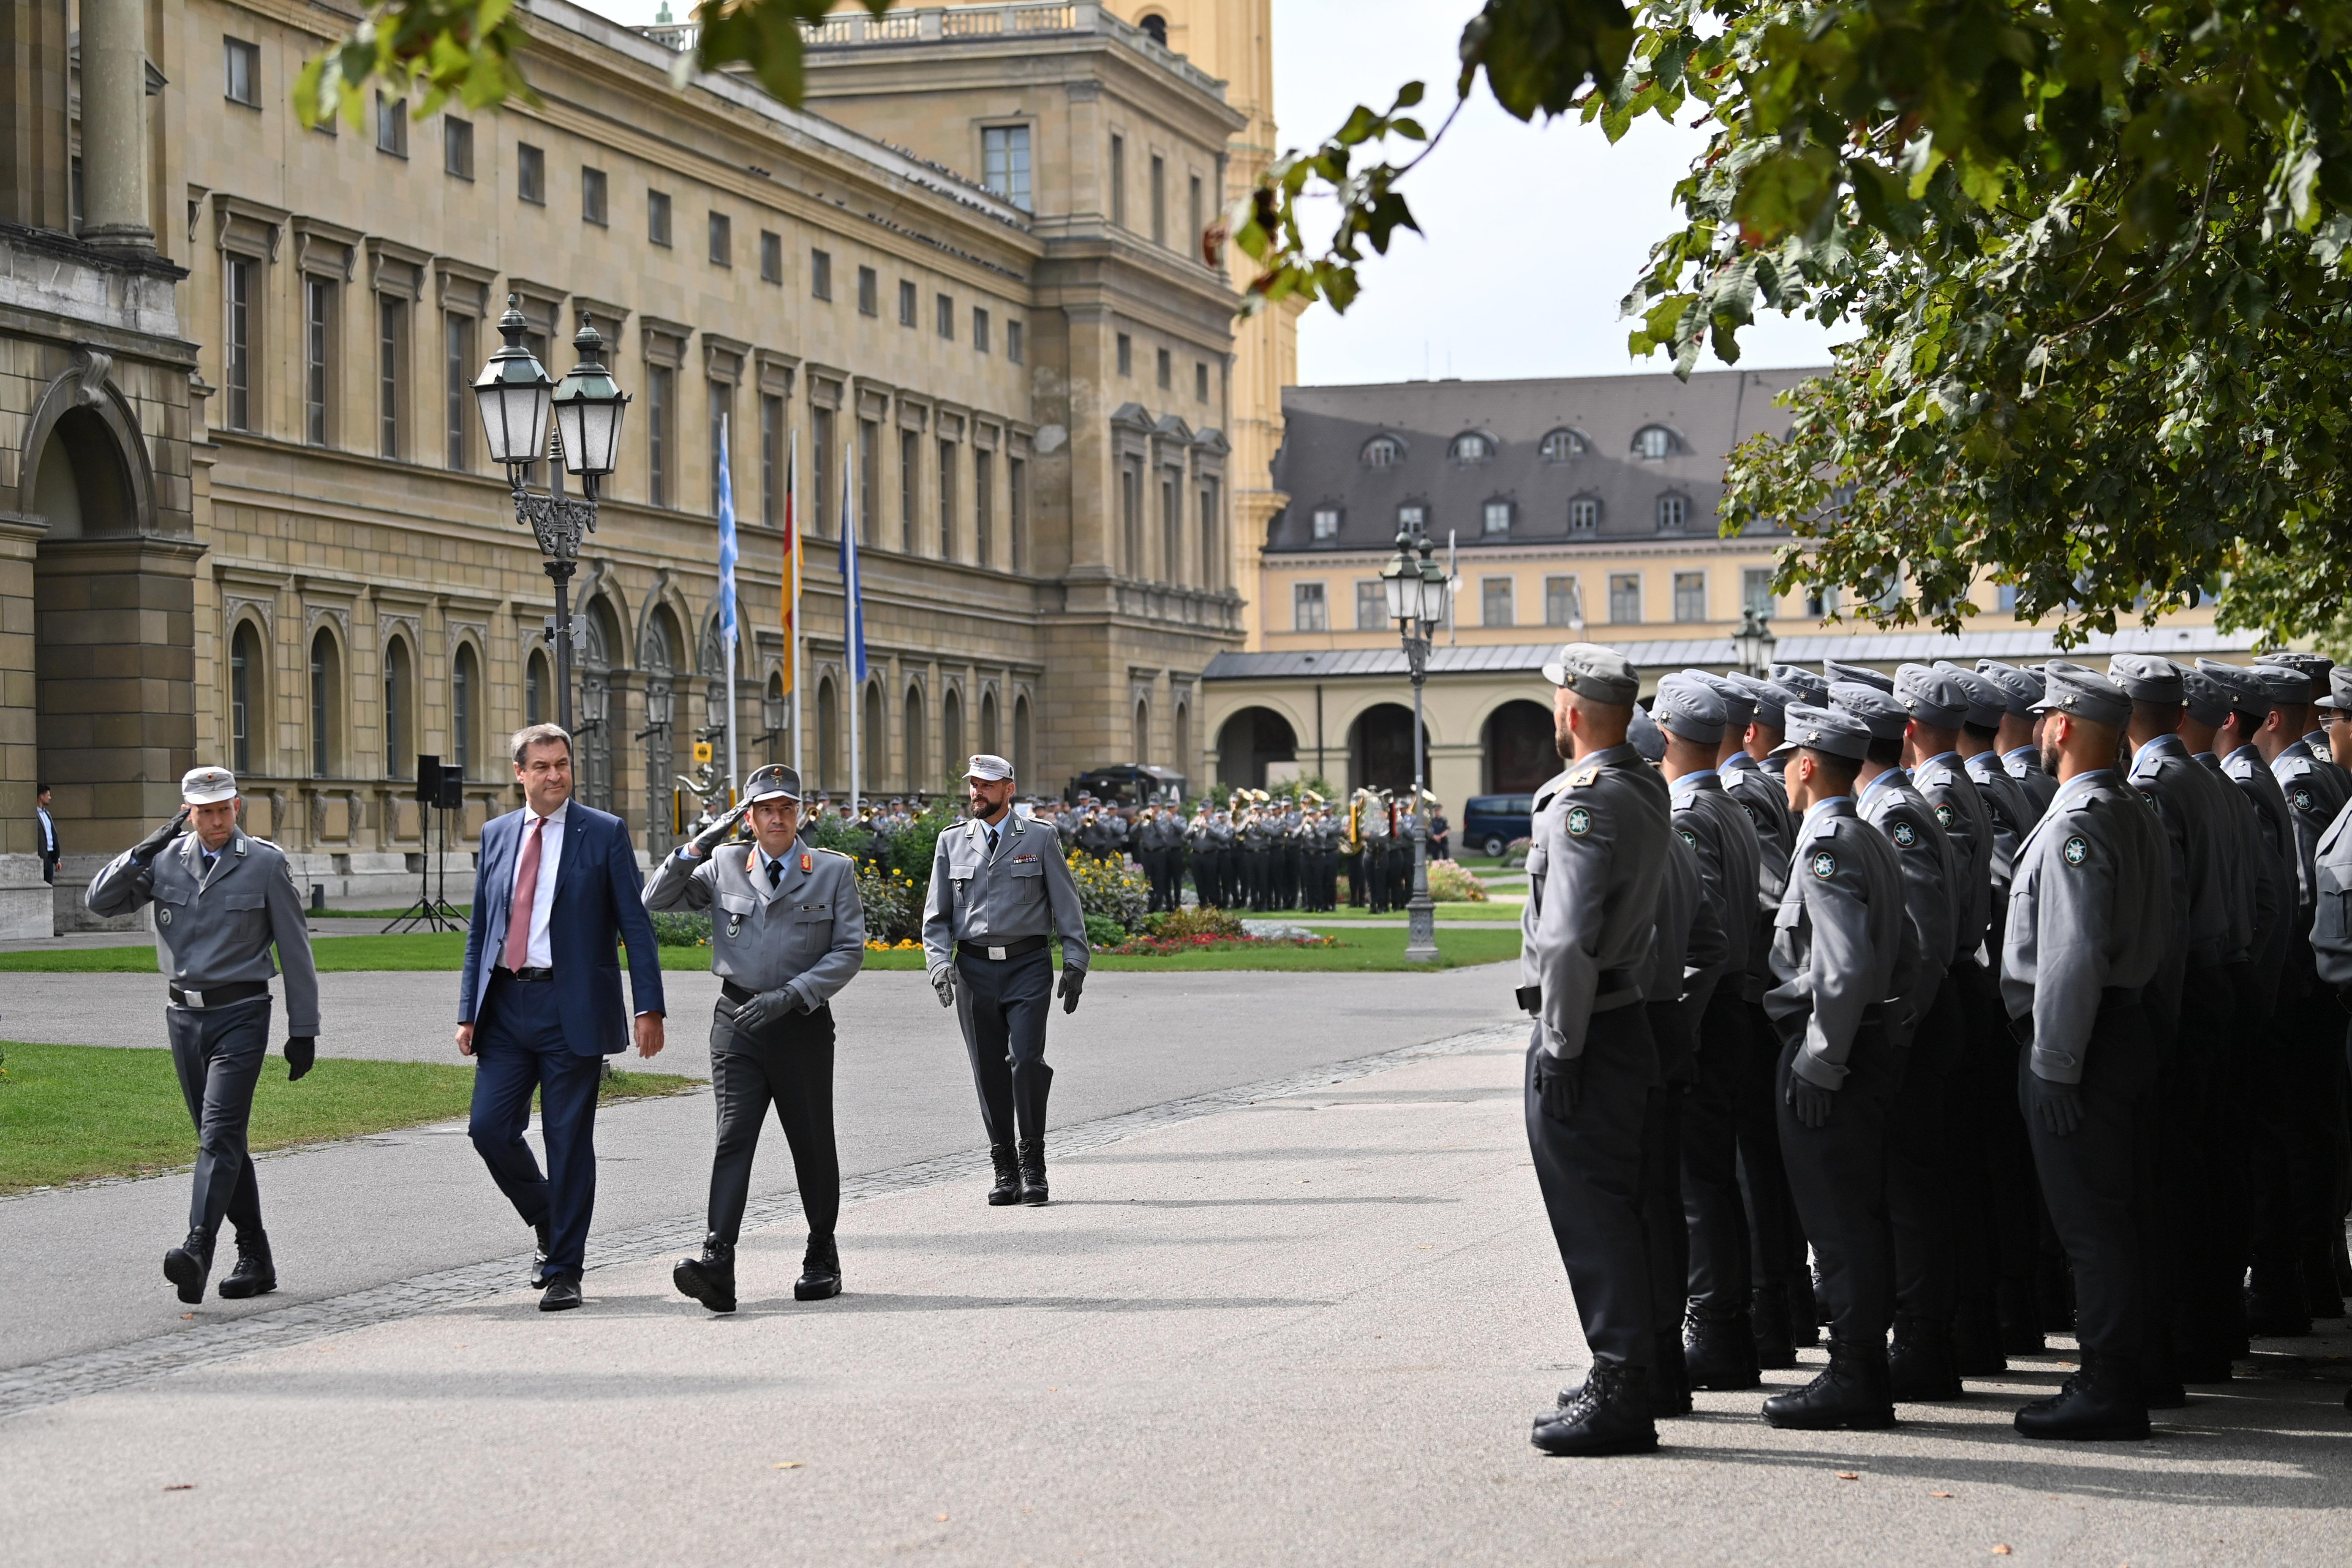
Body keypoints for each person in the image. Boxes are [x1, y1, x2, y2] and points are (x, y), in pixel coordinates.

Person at [2003, 662, 2171, 1440]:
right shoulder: (2127, 806)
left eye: (2043, 719)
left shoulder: (2078, 822)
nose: (2037, 730)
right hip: (2122, 1029)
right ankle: (2131, 1369)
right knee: (2120, 1213)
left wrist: (2054, 1063)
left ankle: (2106, 1385)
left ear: (2063, 726)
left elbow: (2070, 956)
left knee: (2090, 1224)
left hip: (2082, 1039)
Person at [86, 767, 321, 1305]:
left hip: (242, 1012)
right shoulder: (166, 860)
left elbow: (296, 951)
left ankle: (197, 1247)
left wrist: (303, 1029)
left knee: (218, 1135)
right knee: (224, 1141)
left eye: (224, 809)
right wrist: (145, 848)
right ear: (187, 812)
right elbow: (100, 902)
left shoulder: (264, 863)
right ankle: (256, 1256)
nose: (216, 821)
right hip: (183, 1017)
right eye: (204, 811)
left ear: (237, 806)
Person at [455, 723, 667, 1313]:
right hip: (504, 1006)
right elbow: (482, 931)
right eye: (542, 767)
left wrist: (648, 1005)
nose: (555, 776)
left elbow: (636, 927)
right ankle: (551, 1219)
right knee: (489, 1130)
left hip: (571, 1007)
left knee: (567, 1139)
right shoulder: (497, 835)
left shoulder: (602, 834)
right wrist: (467, 1010)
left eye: (562, 765)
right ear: (520, 774)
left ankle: (564, 1270)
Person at [1523, 644, 1673, 1458]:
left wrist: (1559, 1045)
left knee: (1594, 1213)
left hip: (1588, 1025)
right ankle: (1626, 1370)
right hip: (1624, 1017)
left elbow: (1568, 938)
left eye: (1555, 702)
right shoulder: (1640, 783)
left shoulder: (1581, 803)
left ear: (1573, 714)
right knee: (1623, 1205)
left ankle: (1621, 1387)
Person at [646, 764, 865, 1312]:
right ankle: (718, 1261)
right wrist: (698, 843)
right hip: (738, 1022)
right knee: (733, 1136)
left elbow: (848, 952)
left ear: (800, 813)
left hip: (801, 1025)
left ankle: (822, 1253)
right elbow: (657, 897)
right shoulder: (723, 864)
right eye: (766, 809)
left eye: (787, 808)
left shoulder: (832, 872)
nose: (777, 818)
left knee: (811, 1142)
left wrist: (792, 995)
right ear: (749, 816)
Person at [1760, 703, 1911, 1430]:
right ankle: (1861, 1364)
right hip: (1865, 1043)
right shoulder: (1867, 833)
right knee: (1859, 1213)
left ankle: (1854, 1371)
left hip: (1833, 1051)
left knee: (1838, 1219)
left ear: (1808, 763)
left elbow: (1844, 968)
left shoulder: (1825, 839)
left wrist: (1820, 1061)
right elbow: (1905, 952)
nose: (1783, 768)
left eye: (1789, 756)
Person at [1650, 675, 1763, 1393]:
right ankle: (1725, 1322)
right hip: (1732, 1009)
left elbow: (1706, 940)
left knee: (1700, 1182)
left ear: (1663, 737)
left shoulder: (1690, 811)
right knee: (1714, 1178)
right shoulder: (1726, 803)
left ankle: (1716, 1326)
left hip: (1708, 1014)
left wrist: (1676, 1032)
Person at [922, 754, 1089, 1205]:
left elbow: (1067, 906)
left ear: (1009, 789)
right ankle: (1005, 1167)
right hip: (973, 970)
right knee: (988, 1070)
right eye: (974, 785)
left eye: (988, 785)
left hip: (1027, 965)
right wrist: (938, 965)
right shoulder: (952, 841)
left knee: (1027, 1060)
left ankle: (1033, 1160)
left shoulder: (1039, 837)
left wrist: (1076, 962)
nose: (977, 792)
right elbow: (936, 917)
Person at [35, 781, 60, 885]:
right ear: (41, 797)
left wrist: (57, 859)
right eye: (48, 795)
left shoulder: (47, 814)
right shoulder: (33, 816)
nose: (50, 798)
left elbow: (52, 836)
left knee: (49, 886)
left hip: (50, 857)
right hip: (41, 858)